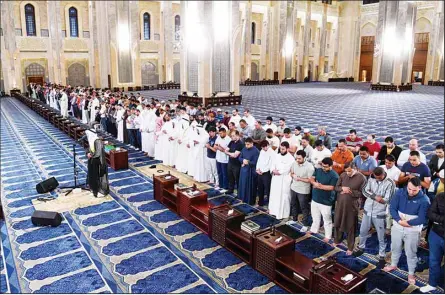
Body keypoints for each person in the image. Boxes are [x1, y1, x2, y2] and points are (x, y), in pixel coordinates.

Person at [384, 177, 430, 285]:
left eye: (414, 190)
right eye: (409, 189)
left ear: (419, 187)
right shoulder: (399, 192)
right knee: (395, 247)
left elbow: (422, 218)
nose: (411, 192)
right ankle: (393, 264)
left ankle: (411, 273)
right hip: (398, 225)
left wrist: (408, 223)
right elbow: (392, 208)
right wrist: (399, 220)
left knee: (410, 251)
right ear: (407, 186)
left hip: (413, 230)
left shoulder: (424, 200)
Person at [354, 167, 396, 268]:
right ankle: (361, 247)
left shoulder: (390, 183)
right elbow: (364, 190)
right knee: (363, 231)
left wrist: (377, 198)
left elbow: (387, 199)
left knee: (381, 236)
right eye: (375, 177)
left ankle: (382, 256)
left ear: (383, 174)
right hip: (368, 210)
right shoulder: (371, 178)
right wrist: (375, 197)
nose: (377, 179)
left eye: (379, 177)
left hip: (380, 213)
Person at [333, 162, 367, 255]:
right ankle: (337, 240)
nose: (348, 173)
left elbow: (363, 194)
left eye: (349, 171)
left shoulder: (362, 178)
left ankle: (350, 247)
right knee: (338, 222)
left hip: (352, 206)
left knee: (350, 226)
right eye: (346, 171)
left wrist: (350, 191)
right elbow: (336, 187)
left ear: (355, 168)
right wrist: (342, 189)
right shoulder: (343, 175)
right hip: (340, 204)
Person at [308, 157, 339, 243]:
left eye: (325, 166)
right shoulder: (318, 170)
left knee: (327, 220)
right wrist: (314, 183)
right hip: (315, 198)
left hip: (326, 201)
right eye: (322, 166)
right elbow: (311, 178)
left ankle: (327, 236)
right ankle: (314, 229)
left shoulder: (334, 175)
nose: (323, 168)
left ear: (331, 166)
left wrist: (319, 186)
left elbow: (331, 187)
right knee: (315, 216)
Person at [419, 192, 444, 293]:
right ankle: (432, 284)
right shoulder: (440, 196)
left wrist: (438, 220)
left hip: (437, 230)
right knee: (433, 261)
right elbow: (430, 213)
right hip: (436, 235)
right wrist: (442, 219)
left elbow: (435, 216)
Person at [269, 142, 294, 219]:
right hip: (275, 179)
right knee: (274, 195)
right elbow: (272, 164)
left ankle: (283, 214)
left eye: (283, 149)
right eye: (280, 148)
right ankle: (273, 211)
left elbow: (286, 169)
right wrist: (273, 170)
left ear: (287, 149)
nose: (281, 150)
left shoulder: (291, 158)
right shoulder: (277, 156)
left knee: (284, 197)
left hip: (284, 180)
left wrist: (279, 172)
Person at [290, 150, 315, 228]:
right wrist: (293, 175)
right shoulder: (294, 163)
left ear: (304, 158)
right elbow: (291, 172)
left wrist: (299, 179)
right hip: (294, 187)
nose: (297, 160)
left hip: (303, 190)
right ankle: (294, 219)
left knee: (304, 207)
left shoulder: (310, 167)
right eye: (296, 158)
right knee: (293, 204)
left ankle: (305, 224)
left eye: (299, 159)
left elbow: (310, 180)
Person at [86, 130, 109, 198]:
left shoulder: (98, 141)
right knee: (93, 176)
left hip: (99, 162)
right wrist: (88, 153)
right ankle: (94, 189)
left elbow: (98, 153)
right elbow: (89, 149)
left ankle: (101, 191)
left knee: (99, 176)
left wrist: (91, 155)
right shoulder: (92, 140)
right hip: (92, 161)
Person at [238, 138, 260, 205]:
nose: (246, 146)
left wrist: (247, 162)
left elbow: (255, 162)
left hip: (251, 171)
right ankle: (242, 198)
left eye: (248, 144)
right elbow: (240, 157)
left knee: (250, 187)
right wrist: (242, 161)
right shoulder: (244, 149)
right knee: (243, 185)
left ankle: (250, 201)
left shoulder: (256, 151)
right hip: (243, 170)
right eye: (245, 144)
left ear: (252, 143)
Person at [225, 130, 244, 195]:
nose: (232, 137)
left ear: (237, 135)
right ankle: (231, 190)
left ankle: (239, 193)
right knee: (230, 177)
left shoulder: (240, 144)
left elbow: (235, 155)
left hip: (237, 164)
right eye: (231, 136)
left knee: (237, 179)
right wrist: (230, 153)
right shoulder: (231, 141)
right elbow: (226, 150)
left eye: (233, 136)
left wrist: (229, 153)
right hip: (230, 162)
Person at [256, 140, 274, 207]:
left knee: (268, 189)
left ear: (268, 145)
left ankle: (270, 205)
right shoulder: (262, 151)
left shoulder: (272, 153)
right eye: (262, 147)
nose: (264, 149)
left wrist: (263, 171)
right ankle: (260, 202)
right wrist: (257, 169)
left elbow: (271, 164)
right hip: (260, 172)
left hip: (267, 173)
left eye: (264, 147)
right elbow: (259, 161)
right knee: (260, 188)